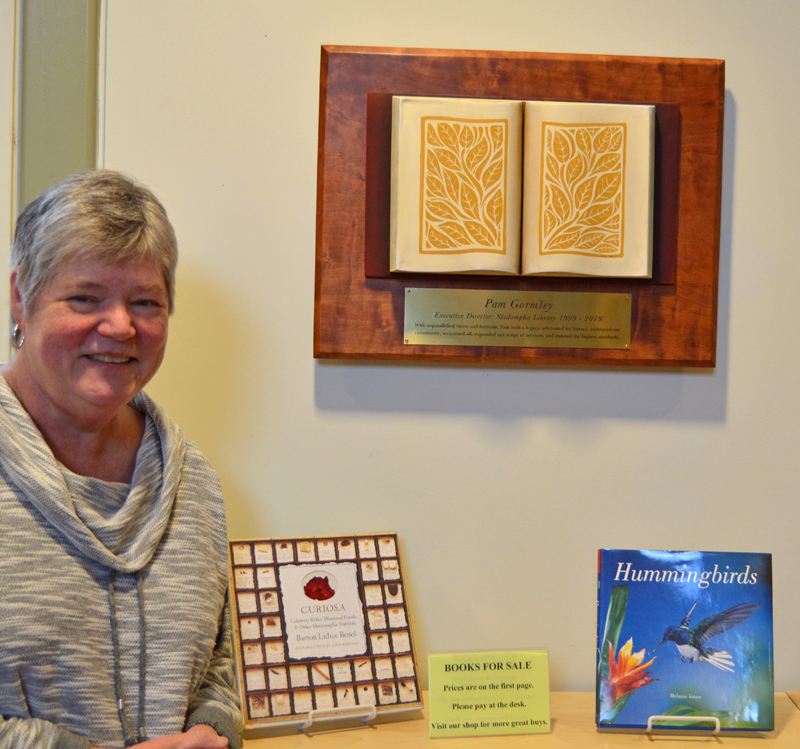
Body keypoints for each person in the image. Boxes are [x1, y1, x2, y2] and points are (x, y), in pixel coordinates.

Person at [0, 171, 243, 749]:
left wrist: (214, 729)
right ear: (20, 298)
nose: (120, 326)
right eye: (84, 298)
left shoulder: (193, 482)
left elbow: (221, 658)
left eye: (145, 303)